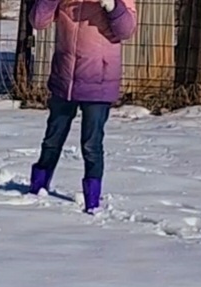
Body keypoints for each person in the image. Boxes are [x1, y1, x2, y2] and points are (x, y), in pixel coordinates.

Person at [28, 0, 137, 213]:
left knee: (91, 143)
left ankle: (92, 201)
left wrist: (112, 5)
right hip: (64, 79)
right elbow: (38, 21)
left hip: (99, 81)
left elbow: (127, 30)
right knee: (53, 138)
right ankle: (37, 188)